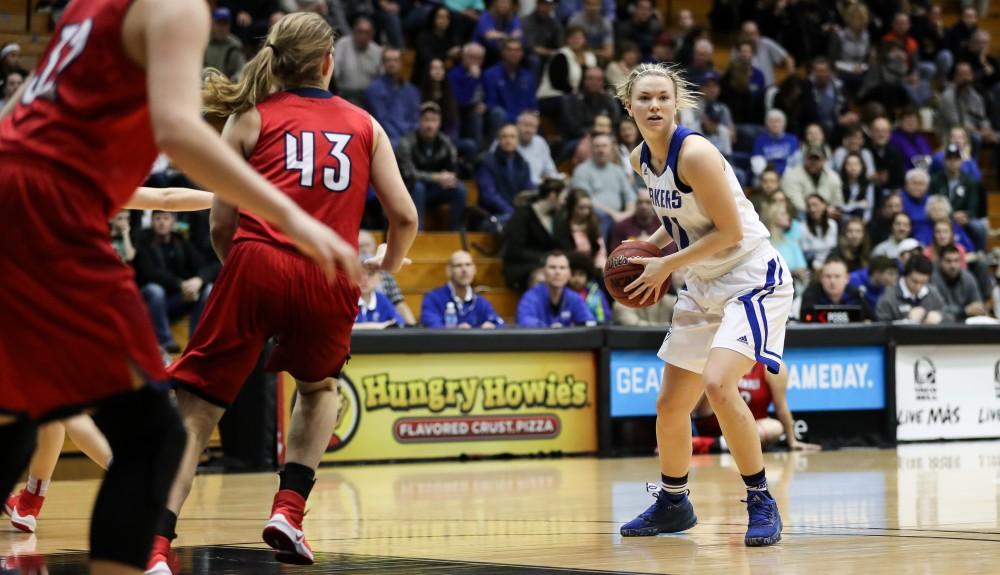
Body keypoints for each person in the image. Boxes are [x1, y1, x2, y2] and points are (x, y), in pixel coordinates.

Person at [0, 4, 358, 575]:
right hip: (51, 201)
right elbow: (177, 130)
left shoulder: (87, 5)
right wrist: (293, 218)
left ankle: (41, 500)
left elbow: (24, 110)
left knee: (25, 409)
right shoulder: (174, 6)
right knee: (152, 433)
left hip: (17, 185)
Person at [150, 12, 417, 571]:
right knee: (320, 390)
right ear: (327, 62)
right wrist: (378, 269)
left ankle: (153, 545)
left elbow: (222, 222)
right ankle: (288, 511)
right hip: (329, 273)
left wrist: (245, 270)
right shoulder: (366, 124)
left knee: (196, 412)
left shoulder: (249, 117)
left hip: (256, 261)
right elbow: (406, 217)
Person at [616, 63, 792, 546]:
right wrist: (648, 251)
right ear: (628, 106)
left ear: (677, 104)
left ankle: (761, 499)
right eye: (644, 98)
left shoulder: (694, 153)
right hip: (703, 280)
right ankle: (674, 502)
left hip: (751, 276)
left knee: (717, 384)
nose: (654, 106)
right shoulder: (640, 158)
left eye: (662, 98)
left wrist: (665, 265)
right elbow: (679, 221)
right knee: (670, 404)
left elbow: (730, 231)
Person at [691, 361, 821, 453]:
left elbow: (781, 407)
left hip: (748, 428)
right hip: (714, 423)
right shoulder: (722, 360)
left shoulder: (773, 367)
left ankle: (712, 444)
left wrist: (792, 441)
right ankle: (697, 441)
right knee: (709, 378)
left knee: (775, 428)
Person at [420, 250, 503, 328]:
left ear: (474, 270)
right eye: (458, 265)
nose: (464, 269)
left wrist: (492, 327)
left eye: (468, 264)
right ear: (449, 271)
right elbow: (431, 327)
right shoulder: (433, 298)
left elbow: (501, 326)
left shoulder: (480, 302)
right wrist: (457, 333)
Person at [515, 251, 596, 327]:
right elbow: (524, 321)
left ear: (569, 274)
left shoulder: (574, 299)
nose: (557, 272)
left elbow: (589, 322)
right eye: (552, 267)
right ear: (544, 272)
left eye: (562, 268)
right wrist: (550, 330)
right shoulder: (530, 297)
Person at [875, 254, 946, 323]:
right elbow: (881, 327)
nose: (918, 286)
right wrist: (906, 321)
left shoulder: (932, 292)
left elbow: (950, 313)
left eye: (923, 282)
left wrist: (940, 316)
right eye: (915, 281)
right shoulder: (888, 297)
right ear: (906, 275)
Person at [799, 256, 874, 320]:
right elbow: (804, 321)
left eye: (837, 276)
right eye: (828, 276)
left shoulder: (856, 295)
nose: (832, 281)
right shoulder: (810, 295)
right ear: (821, 278)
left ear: (847, 279)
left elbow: (873, 321)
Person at [932, 245, 987, 322]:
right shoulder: (933, 279)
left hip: (965, 324)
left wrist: (977, 308)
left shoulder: (967, 277)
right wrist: (964, 311)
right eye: (948, 261)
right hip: (942, 324)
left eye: (956, 261)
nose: (953, 266)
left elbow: (977, 303)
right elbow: (938, 309)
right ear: (940, 262)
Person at [355, 263, 405, 328]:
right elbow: (339, 327)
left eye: (370, 274)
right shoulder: (345, 299)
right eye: (359, 274)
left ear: (379, 277)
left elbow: (398, 322)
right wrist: (375, 326)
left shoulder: (381, 298)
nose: (365, 279)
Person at [567, 250, 611, 323]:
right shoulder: (562, 294)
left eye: (581, 274)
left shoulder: (597, 294)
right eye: (573, 274)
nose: (576, 279)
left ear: (587, 276)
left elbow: (606, 317)